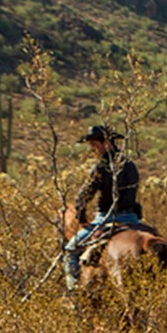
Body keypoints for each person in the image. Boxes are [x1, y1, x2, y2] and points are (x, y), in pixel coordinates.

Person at [65, 124, 142, 291]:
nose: (93, 149)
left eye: (94, 144)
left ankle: (74, 296)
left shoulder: (101, 167)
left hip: (106, 217)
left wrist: (82, 217)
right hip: (131, 217)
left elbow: (83, 196)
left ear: (103, 143)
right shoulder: (130, 165)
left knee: (71, 250)